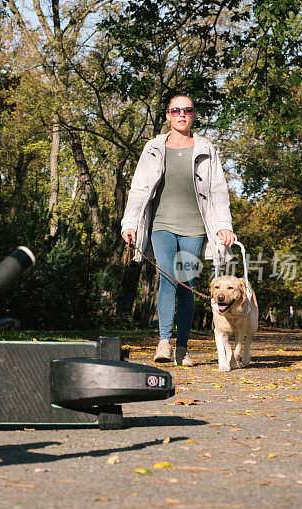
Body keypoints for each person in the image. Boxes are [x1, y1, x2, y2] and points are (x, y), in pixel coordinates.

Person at [121, 95, 236, 366]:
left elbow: (218, 189)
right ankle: (163, 343)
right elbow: (139, 188)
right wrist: (129, 223)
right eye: (176, 110)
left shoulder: (206, 148)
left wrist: (224, 226)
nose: (181, 114)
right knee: (168, 278)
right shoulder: (153, 147)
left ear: (193, 115)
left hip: (194, 228)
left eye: (187, 110)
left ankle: (183, 348)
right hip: (161, 224)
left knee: (187, 284)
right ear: (168, 115)